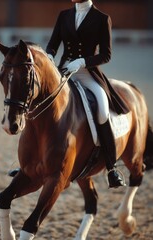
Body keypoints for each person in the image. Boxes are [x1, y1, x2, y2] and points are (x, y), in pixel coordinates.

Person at [46, 0, 129, 188]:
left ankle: (112, 167)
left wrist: (82, 61)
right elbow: (53, 44)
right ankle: (28, 160)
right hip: (63, 70)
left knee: (102, 110)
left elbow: (106, 55)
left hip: (86, 73)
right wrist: (49, 55)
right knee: (40, 101)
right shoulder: (64, 15)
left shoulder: (102, 19)